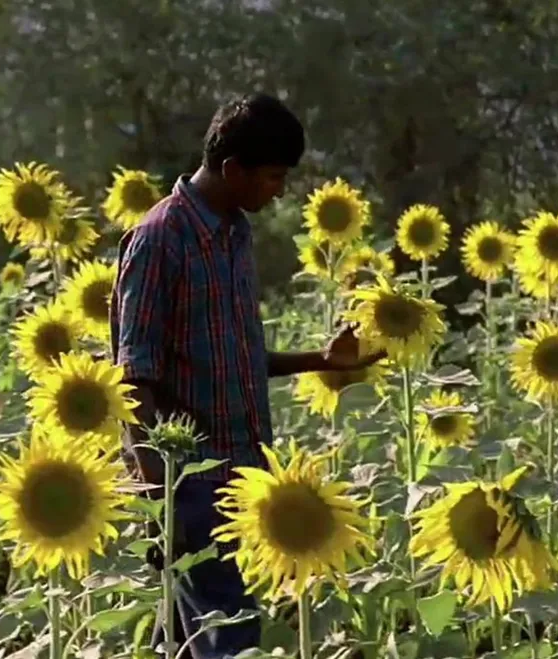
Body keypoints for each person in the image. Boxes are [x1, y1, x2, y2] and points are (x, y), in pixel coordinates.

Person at [108, 93, 386, 659]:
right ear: (233, 169)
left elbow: (233, 357)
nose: (279, 191)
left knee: (196, 640)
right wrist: (158, 490)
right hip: (188, 484)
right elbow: (134, 374)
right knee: (229, 638)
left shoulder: (233, 233)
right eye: (272, 178)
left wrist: (322, 361)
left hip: (246, 472)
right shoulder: (161, 238)